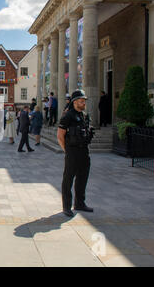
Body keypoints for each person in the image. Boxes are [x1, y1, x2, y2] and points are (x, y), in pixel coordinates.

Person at [57, 90, 95, 218]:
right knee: (68, 179)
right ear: (74, 102)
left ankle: (79, 203)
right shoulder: (68, 116)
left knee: (82, 178)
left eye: (84, 100)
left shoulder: (84, 116)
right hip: (72, 152)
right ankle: (66, 206)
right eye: (81, 100)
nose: (83, 102)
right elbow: (60, 136)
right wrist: (67, 151)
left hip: (84, 151)